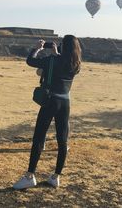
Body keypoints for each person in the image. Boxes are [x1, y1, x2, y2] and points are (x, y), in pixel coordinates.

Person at [13, 35, 81, 189]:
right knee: (62, 140)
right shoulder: (76, 64)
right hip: (65, 102)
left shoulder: (52, 60)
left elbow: (30, 61)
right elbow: (62, 64)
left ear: (63, 46)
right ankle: (56, 177)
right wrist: (56, 54)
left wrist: (37, 49)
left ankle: (30, 176)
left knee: (38, 137)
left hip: (51, 101)